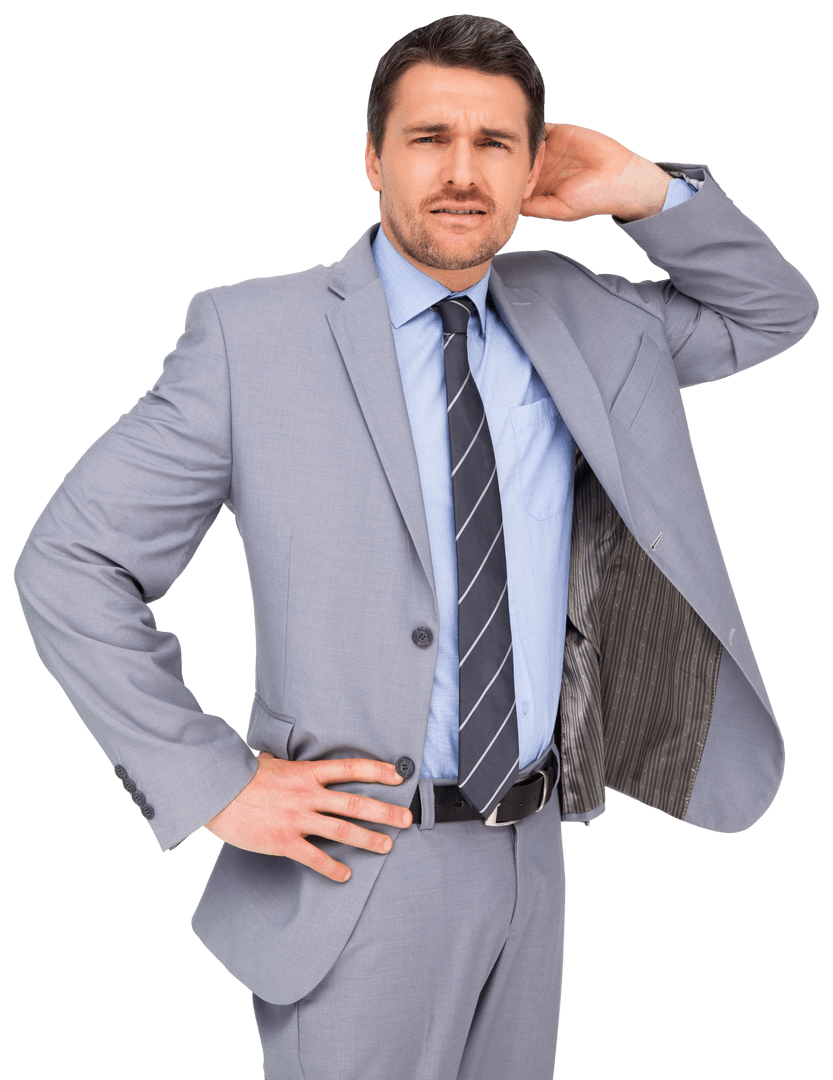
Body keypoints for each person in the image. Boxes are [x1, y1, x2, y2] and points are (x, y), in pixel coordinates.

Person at [13, 12, 817, 1080]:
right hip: (359, 865)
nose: (460, 171)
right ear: (370, 157)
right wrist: (211, 780)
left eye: (493, 143)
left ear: (533, 165)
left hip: (532, 851)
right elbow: (70, 561)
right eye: (428, 137)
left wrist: (636, 186)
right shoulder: (252, 338)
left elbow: (770, 313)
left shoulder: (582, 316)